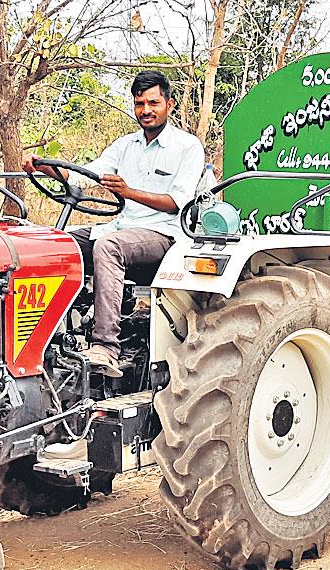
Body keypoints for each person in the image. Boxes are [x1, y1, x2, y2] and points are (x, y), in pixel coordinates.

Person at [25, 70, 205, 377]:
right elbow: (86, 173)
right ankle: (43, 340)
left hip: (165, 235)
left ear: (169, 105)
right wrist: (47, 168)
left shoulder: (187, 147)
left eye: (153, 103)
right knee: (56, 244)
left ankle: (106, 347)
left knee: (109, 247)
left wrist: (128, 191)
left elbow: (179, 202)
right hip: (122, 228)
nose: (146, 110)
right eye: (139, 104)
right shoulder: (125, 146)